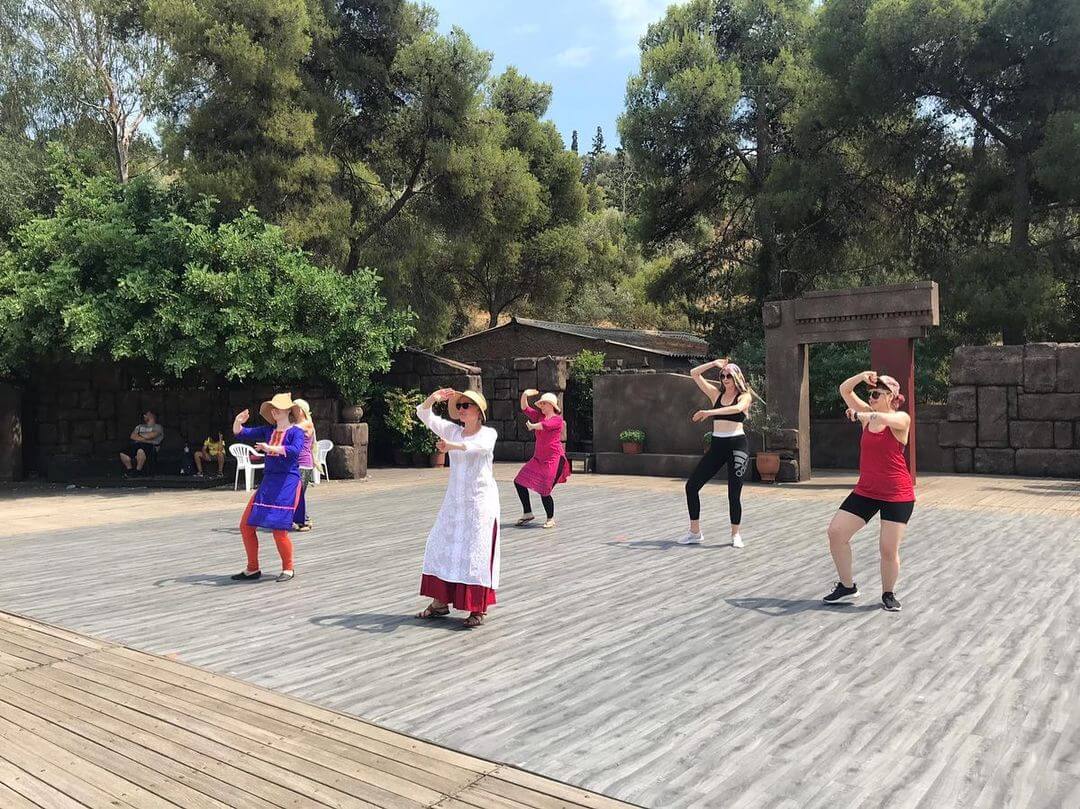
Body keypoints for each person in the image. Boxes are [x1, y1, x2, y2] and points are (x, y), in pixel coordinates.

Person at [822, 371, 914, 612]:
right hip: (867, 490)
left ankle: (888, 593)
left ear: (890, 397)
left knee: (887, 548)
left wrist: (862, 413)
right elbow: (844, 389)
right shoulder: (867, 418)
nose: (871, 397)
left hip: (897, 494)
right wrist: (861, 377)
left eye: (875, 394)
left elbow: (886, 419)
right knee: (836, 533)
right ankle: (847, 586)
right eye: (870, 394)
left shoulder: (901, 419)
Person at [414, 387, 500, 628]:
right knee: (441, 545)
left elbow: (477, 447)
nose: (461, 410)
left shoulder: (488, 434)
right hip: (454, 502)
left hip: (480, 504)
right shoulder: (453, 430)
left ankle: (476, 609)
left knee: (475, 553)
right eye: (459, 406)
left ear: (478, 412)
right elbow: (423, 414)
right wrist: (433, 398)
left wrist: (452, 446)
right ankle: (440, 601)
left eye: (466, 406)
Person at [230, 393, 305, 583]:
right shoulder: (267, 430)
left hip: (287, 482)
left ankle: (288, 568)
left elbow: (294, 451)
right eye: (273, 407)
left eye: (278, 407)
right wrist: (238, 422)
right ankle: (252, 569)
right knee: (246, 526)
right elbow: (241, 433)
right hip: (268, 483)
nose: (274, 410)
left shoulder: (296, 432)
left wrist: (270, 448)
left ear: (288, 411)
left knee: (279, 530)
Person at [680, 358, 753, 547]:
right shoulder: (716, 395)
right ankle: (695, 532)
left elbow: (737, 409)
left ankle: (735, 534)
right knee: (691, 487)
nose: (725, 378)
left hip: (737, 445)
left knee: (733, 493)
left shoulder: (744, 396)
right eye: (723, 375)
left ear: (737, 377)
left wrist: (708, 413)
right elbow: (694, 374)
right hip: (717, 445)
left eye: (729, 375)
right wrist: (714, 364)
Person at [514, 389, 570, 529]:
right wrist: (525, 394)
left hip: (553, 459)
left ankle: (550, 518)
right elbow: (524, 408)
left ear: (551, 405)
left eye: (544, 404)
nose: (541, 406)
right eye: (541, 404)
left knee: (545, 489)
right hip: (538, 458)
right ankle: (527, 513)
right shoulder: (539, 416)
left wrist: (533, 426)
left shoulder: (557, 420)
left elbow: (544, 426)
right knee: (519, 481)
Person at [291, 398, 316, 532]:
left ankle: (304, 520)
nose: (292, 411)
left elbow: (295, 430)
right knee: (295, 493)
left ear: (300, 410)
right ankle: (301, 519)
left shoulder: (307, 424)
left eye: (294, 408)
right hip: (296, 464)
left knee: (297, 494)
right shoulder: (295, 425)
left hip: (304, 464)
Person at [119, 411, 164, 477]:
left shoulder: (158, 427)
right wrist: (144, 438)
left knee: (140, 451)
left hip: (151, 446)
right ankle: (130, 470)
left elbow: (150, 436)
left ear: (152, 416)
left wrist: (139, 436)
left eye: (146, 415)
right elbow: (132, 436)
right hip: (137, 444)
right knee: (123, 453)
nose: (144, 416)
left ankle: (138, 471)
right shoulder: (139, 426)